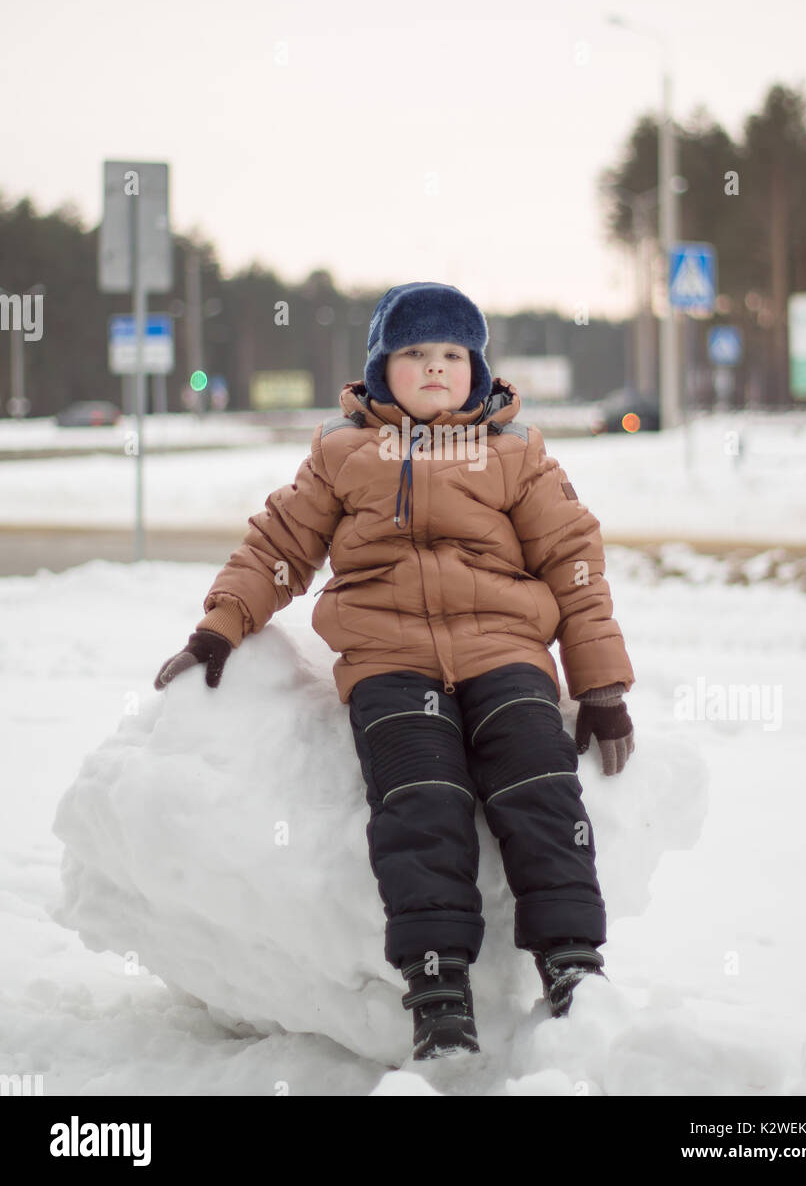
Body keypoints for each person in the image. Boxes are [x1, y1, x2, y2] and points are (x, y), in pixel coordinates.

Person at [154, 281, 636, 1062]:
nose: (437, 368)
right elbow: (278, 547)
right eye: (416, 353)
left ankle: (573, 960)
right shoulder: (343, 454)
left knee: (538, 782)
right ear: (383, 369)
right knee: (421, 799)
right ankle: (438, 985)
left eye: (454, 353)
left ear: (477, 368)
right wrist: (219, 627)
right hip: (389, 661)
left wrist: (602, 685)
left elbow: (573, 563)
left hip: (505, 650)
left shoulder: (516, 452)